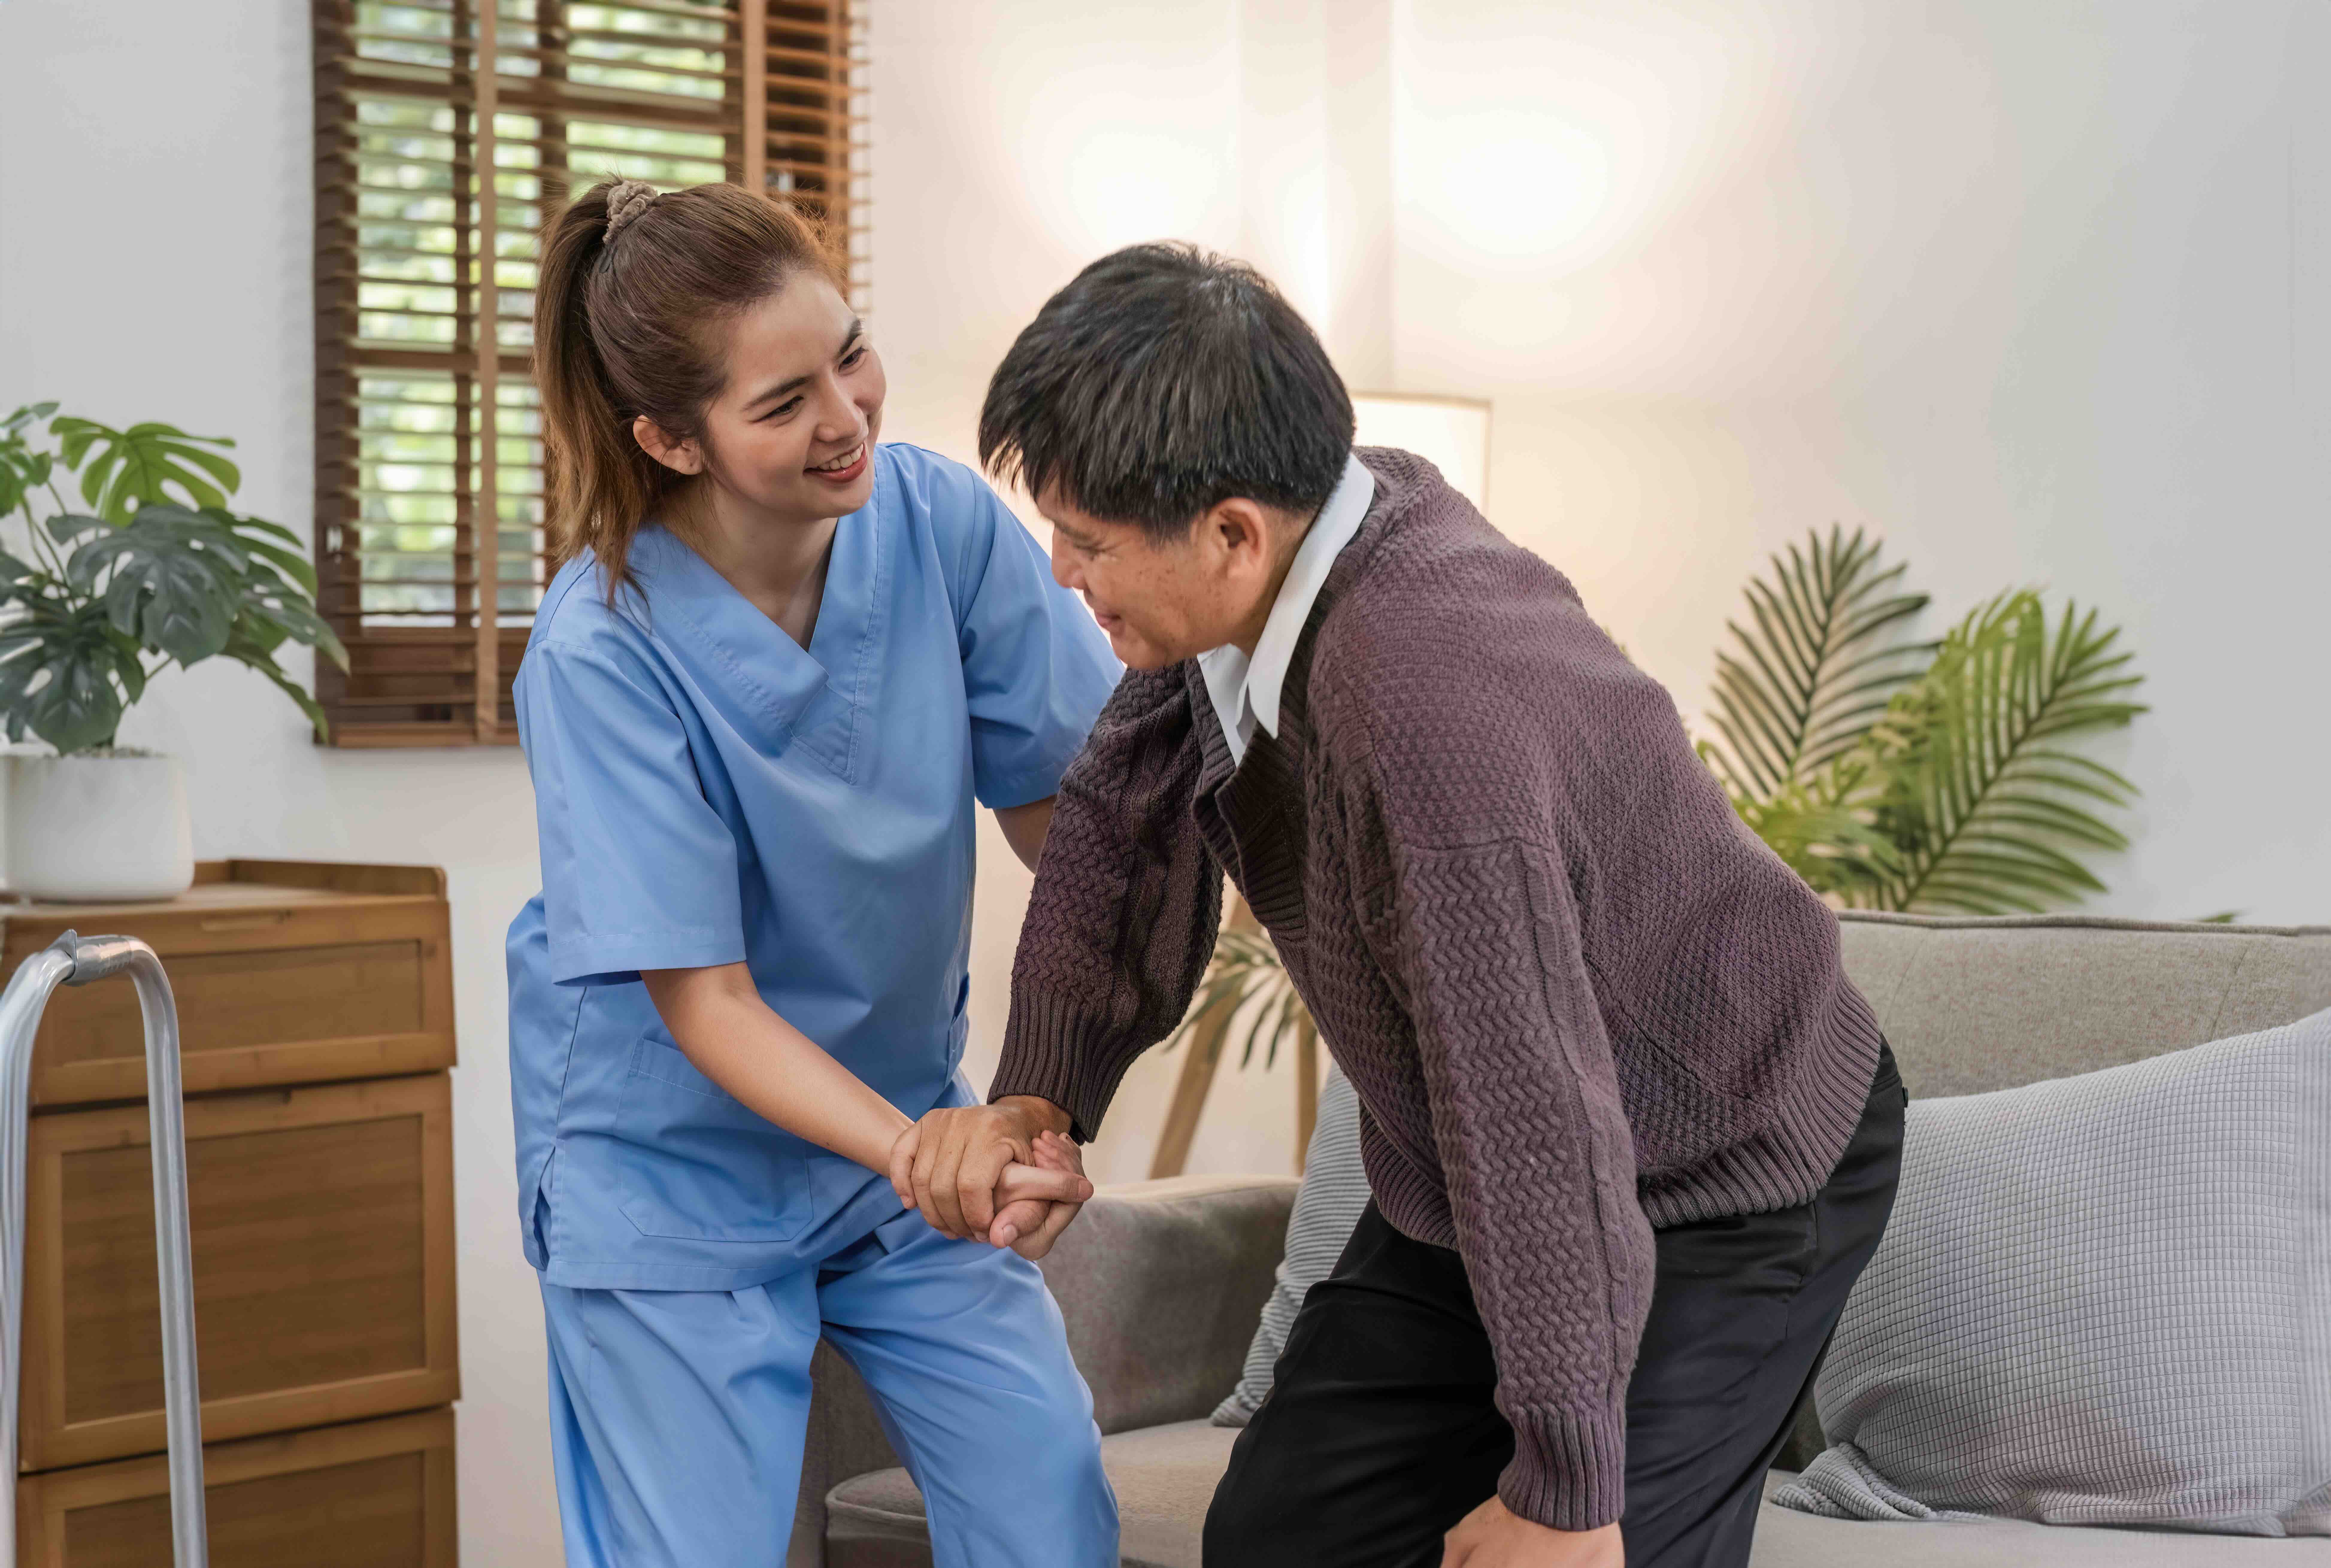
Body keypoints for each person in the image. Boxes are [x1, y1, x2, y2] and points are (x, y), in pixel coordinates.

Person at [897, 243, 1908, 1568]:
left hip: (1729, 1160)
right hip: (1476, 1172)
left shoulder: (1426, 709)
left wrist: (1564, 1483)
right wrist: (1046, 1095)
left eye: (1087, 544)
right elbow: (1125, 806)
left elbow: (1533, 1099)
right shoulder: (1288, 556)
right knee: (1281, 1535)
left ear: (1232, 532)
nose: (1065, 571)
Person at [503, 178, 1121, 1568]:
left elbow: (1072, 828)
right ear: (669, 436)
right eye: (782, 404)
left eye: (848, 353)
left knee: (1049, 1502)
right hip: (673, 1176)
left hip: (907, 1136)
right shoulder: (605, 652)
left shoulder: (941, 527)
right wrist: (922, 1152)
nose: (846, 416)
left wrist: (1046, 1092)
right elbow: (705, 1000)